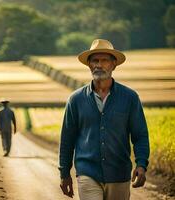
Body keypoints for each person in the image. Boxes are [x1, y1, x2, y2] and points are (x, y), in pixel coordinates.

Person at [59, 39, 150, 200]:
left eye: (104, 60)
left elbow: (140, 135)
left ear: (114, 64)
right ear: (89, 65)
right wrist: (64, 173)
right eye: (95, 60)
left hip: (119, 174)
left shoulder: (129, 98)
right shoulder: (76, 99)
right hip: (87, 172)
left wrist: (141, 164)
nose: (99, 65)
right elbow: (67, 139)